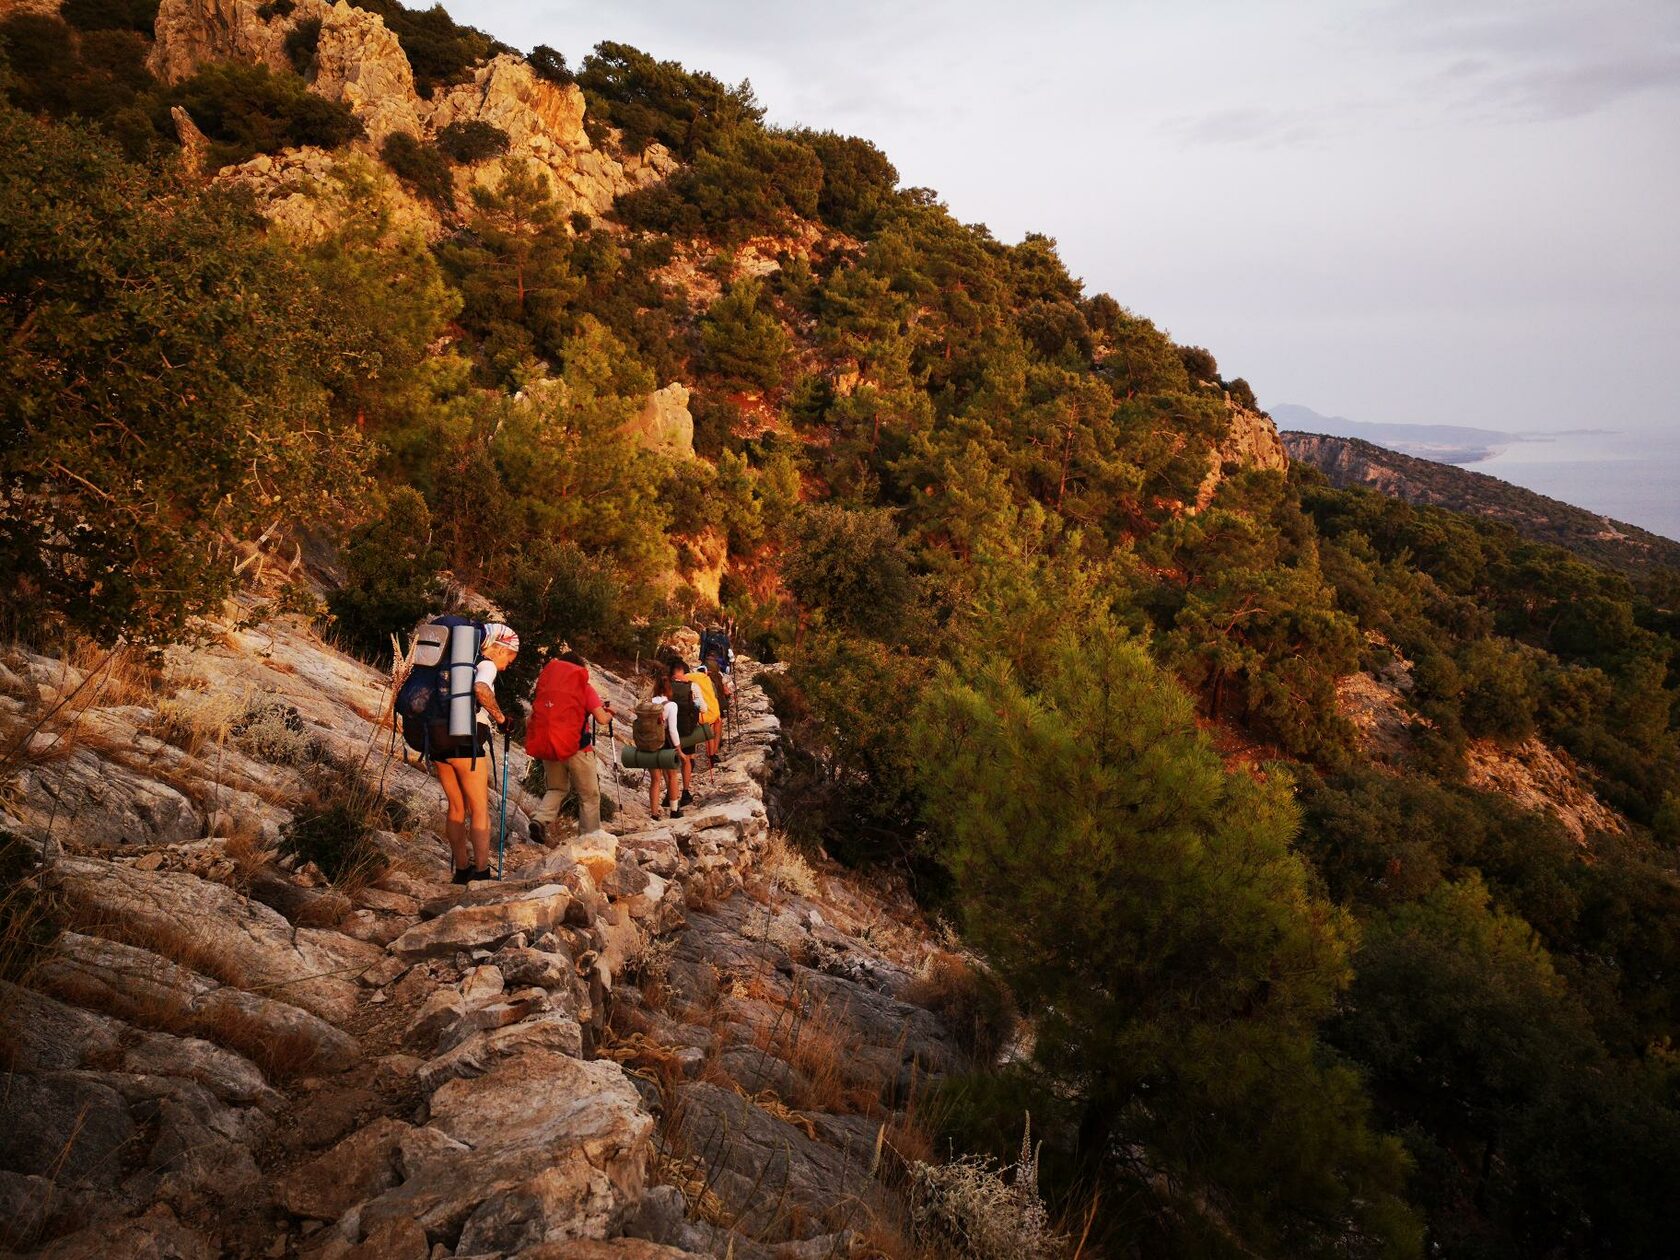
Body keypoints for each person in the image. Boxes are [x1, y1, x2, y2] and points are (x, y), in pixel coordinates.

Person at [432, 622, 518, 883]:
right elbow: (481, 690)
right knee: (480, 809)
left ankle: (461, 870)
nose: (508, 664)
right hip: (466, 742)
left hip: (438, 739)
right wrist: (502, 719)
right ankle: (481, 872)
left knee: (457, 807)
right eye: (510, 657)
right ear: (498, 648)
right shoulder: (486, 664)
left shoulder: (454, 662)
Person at [529, 650, 614, 849]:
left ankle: (540, 819)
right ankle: (590, 840)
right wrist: (610, 713)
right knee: (589, 796)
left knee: (556, 788)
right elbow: (601, 719)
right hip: (578, 749)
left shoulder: (547, 688)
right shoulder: (583, 687)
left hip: (550, 747)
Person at [666, 658, 707, 808]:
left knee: (669, 762)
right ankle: (685, 792)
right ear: (684, 671)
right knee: (687, 760)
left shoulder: (666, 686)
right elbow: (703, 709)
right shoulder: (692, 686)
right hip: (687, 729)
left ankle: (669, 795)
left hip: (668, 731)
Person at [645, 671, 682, 820]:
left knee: (655, 779)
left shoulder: (648, 704)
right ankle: (674, 810)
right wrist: (678, 748)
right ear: (668, 689)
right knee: (672, 776)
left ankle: (654, 814)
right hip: (665, 744)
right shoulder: (671, 705)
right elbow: (672, 729)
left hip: (649, 744)